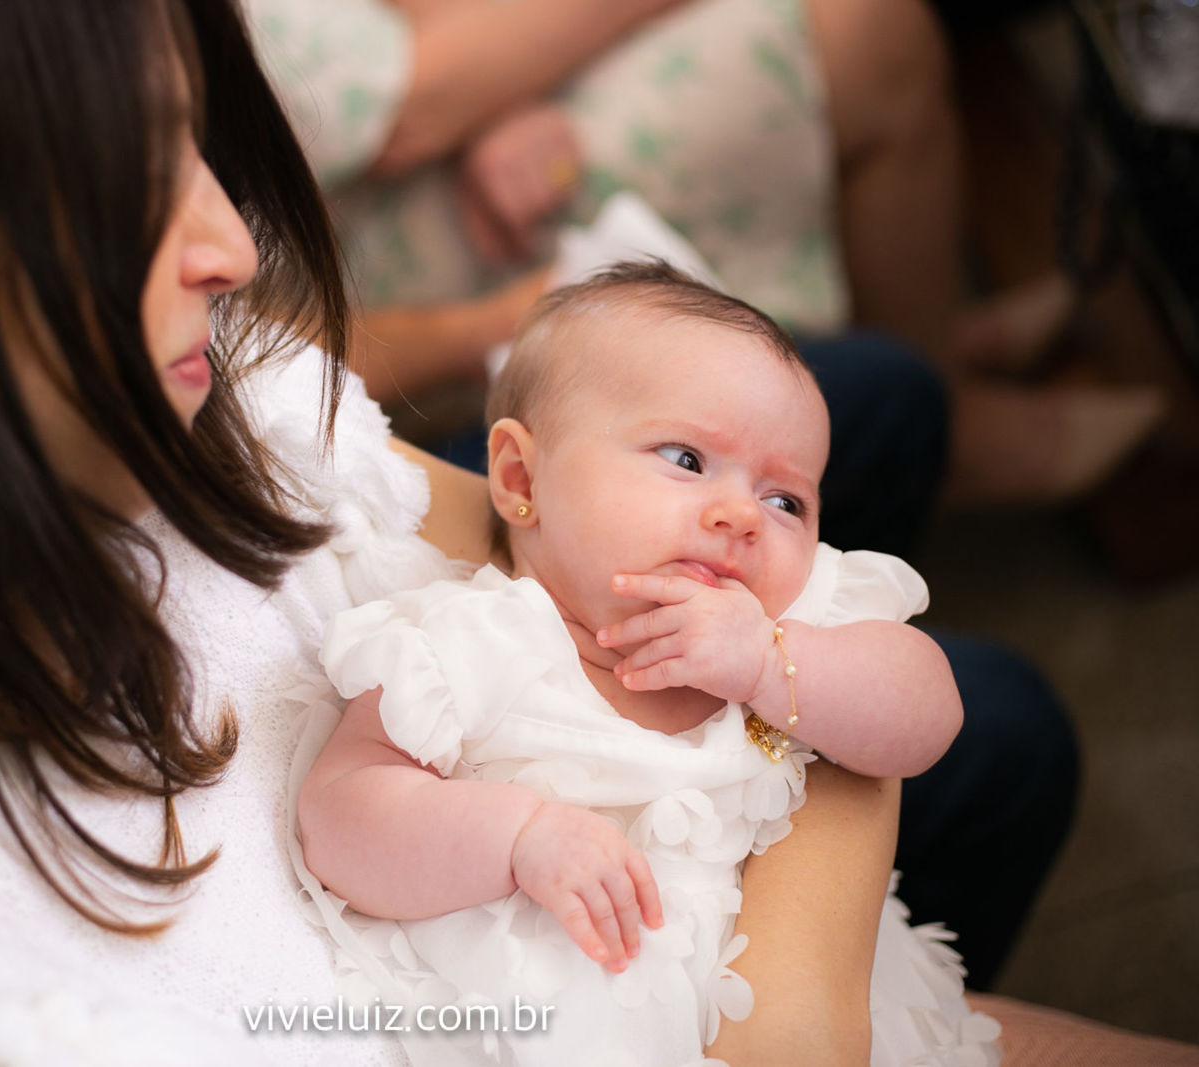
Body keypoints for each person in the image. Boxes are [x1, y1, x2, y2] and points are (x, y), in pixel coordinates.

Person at [0, 1, 913, 1063]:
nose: (229, 242)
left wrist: (794, 969)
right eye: (130, 178)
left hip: (743, 922)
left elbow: (745, 607)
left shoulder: (203, 404)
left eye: (197, 148)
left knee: (893, 427)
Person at [296, 263, 998, 1065]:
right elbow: (338, 816)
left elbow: (929, 715)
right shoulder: (475, 642)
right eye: (687, 460)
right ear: (523, 479)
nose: (741, 517)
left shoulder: (787, 625)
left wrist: (771, 664)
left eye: (786, 502)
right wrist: (517, 835)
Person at [243, 0, 1164, 505]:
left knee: (870, 28)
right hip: (359, 215)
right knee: (866, 34)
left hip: (392, 100)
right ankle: (934, 419)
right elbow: (391, 107)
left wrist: (499, 96)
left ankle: (927, 363)